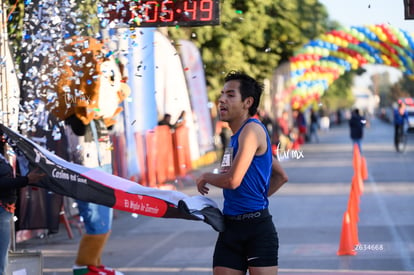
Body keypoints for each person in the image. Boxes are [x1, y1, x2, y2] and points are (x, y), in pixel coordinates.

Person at [196, 71, 288, 275]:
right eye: (221, 94)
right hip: (230, 229)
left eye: (230, 95)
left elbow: (232, 180)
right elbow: (281, 175)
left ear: (247, 102)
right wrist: (253, 197)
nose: (221, 100)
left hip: (257, 230)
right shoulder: (236, 137)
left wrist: (205, 176)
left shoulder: (252, 130)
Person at [0, 133, 45, 275]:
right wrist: (26, 180)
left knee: (2, 259)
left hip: (5, 209)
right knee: (1, 260)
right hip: (2, 209)